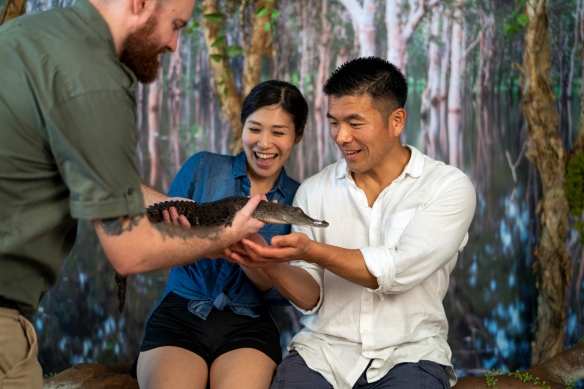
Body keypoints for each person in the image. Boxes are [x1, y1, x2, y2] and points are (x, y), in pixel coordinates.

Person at [0, 0, 266, 387]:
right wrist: (222, 236)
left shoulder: (26, 36)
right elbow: (130, 251)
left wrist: (176, 207)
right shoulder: (95, 73)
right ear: (140, 4)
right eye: (175, 25)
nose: (175, 45)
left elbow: (92, 169)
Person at [228, 57, 477, 389]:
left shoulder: (447, 186)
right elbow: (310, 297)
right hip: (321, 354)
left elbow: (398, 270)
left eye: (355, 123)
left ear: (397, 120)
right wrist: (269, 263)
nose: (341, 137)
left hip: (410, 356)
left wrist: (315, 251)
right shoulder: (313, 191)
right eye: (333, 122)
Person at [134, 80, 308, 389]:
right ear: (242, 126)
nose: (264, 143)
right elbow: (157, 241)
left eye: (278, 132)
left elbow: (288, 294)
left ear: (298, 135)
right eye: (254, 129)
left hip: (249, 324)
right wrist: (199, 244)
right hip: (181, 313)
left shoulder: (299, 198)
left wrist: (255, 259)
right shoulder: (202, 167)